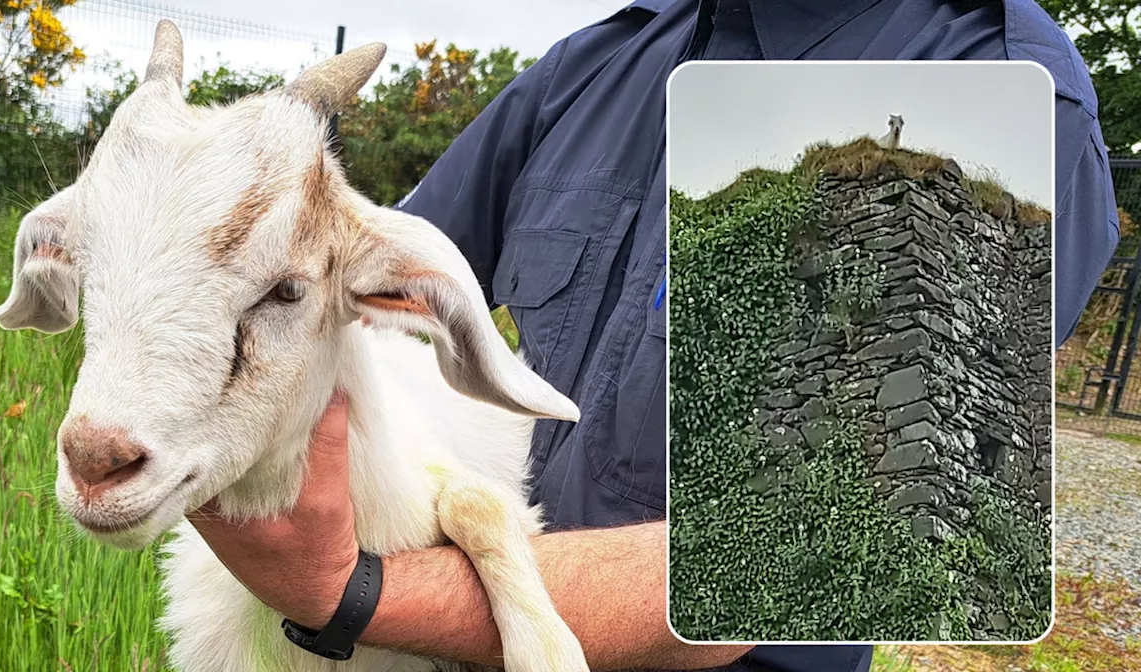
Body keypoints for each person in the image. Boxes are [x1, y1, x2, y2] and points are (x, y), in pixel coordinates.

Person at [187, 1, 1118, 670]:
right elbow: (344, 307)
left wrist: (359, 593)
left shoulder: (1003, 93)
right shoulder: (589, 68)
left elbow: (772, 566)